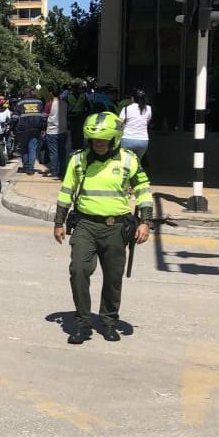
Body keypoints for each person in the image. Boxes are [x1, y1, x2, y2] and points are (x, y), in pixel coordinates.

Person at [54, 112, 153, 344]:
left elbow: (144, 190)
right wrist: (58, 222)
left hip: (116, 227)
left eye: (103, 140)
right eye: (94, 140)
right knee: (78, 270)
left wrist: (146, 222)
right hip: (85, 225)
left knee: (113, 278)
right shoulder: (78, 160)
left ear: (114, 139)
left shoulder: (128, 160)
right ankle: (82, 324)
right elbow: (66, 191)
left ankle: (109, 322)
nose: (98, 144)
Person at [13, 87, 46, 175]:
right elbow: (43, 117)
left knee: (24, 148)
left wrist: (13, 128)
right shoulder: (39, 102)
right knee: (33, 148)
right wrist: (43, 128)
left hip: (23, 129)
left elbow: (15, 117)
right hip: (36, 128)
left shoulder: (20, 102)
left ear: (24, 93)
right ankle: (31, 169)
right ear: (31, 93)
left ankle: (26, 166)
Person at [119, 89, 152, 161]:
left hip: (127, 139)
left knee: (126, 162)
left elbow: (120, 125)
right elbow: (147, 122)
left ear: (132, 98)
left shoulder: (126, 109)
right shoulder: (148, 109)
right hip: (143, 140)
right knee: (137, 161)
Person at [43, 87, 69, 179]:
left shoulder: (49, 104)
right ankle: (62, 171)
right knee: (62, 152)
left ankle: (54, 170)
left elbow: (44, 117)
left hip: (52, 131)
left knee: (53, 152)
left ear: (51, 94)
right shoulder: (65, 104)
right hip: (63, 130)